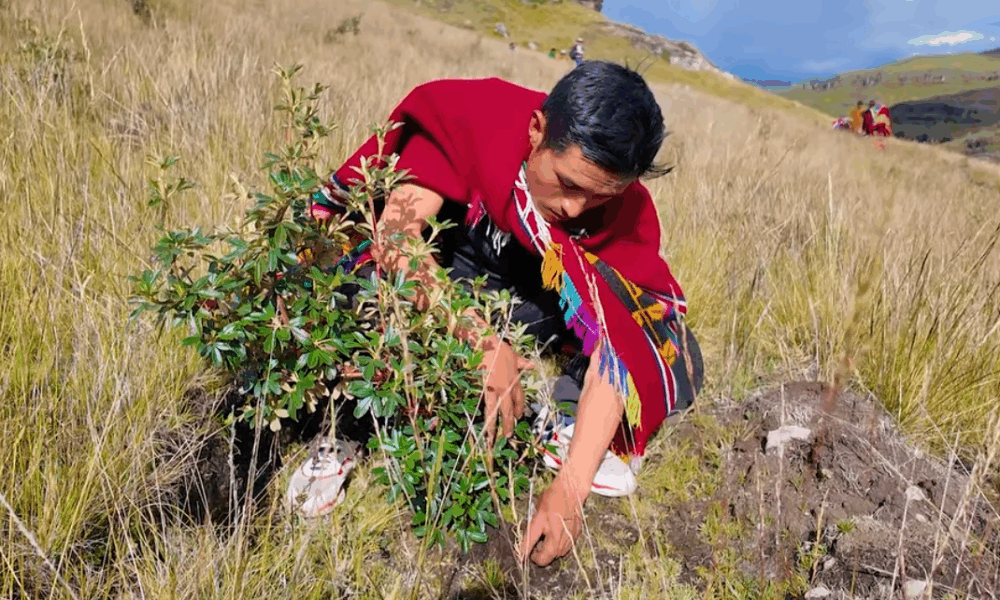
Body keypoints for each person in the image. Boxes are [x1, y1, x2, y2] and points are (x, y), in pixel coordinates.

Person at [308, 62, 702, 566]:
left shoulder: (625, 211)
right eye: (567, 183)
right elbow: (396, 237)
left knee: (671, 349)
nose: (576, 209)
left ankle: (559, 418)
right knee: (350, 282)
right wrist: (477, 338)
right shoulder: (475, 119)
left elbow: (620, 340)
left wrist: (570, 491)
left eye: (599, 196)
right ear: (537, 130)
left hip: (532, 306)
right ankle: (345, 427)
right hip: (443, 275)